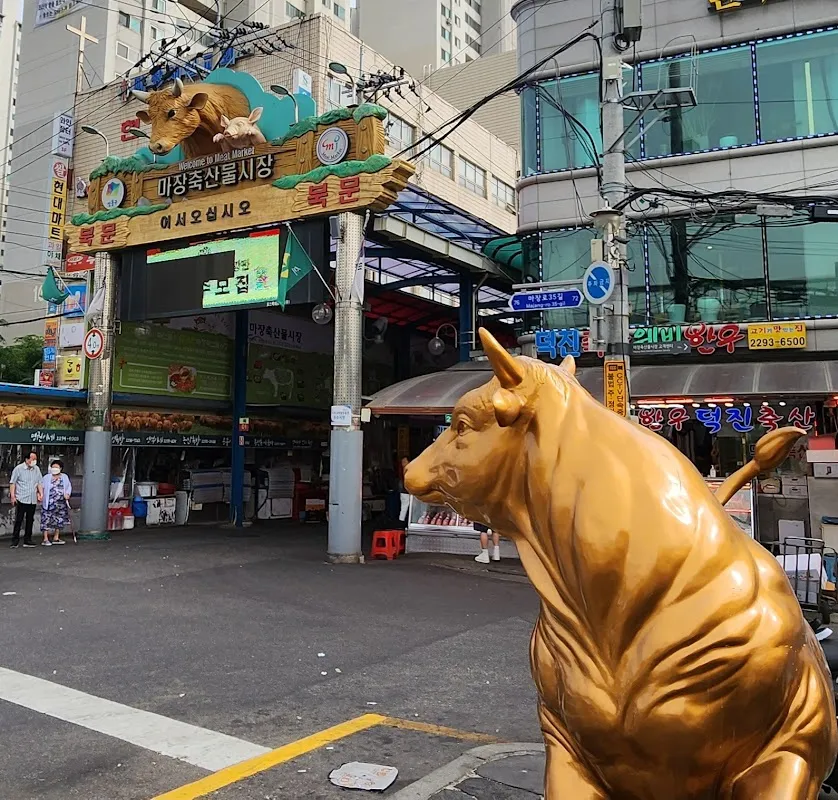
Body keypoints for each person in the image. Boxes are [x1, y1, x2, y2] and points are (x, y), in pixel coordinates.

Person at [9, 451, 42, 549]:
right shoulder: (18, 469)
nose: (34, 461)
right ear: (27, 459)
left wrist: (41, 493)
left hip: (32, 499)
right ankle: (15, 540)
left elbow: (39, 482)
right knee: (19, 520)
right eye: (32, 459)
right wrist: (13, 496)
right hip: (21, 498)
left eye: (35, 459)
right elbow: (13, 483)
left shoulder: (37, 469)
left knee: (30, 520)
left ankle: (28, 539)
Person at [40, 460, 72, 546]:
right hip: (49, 503)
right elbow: (41, 487)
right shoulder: (46, 477)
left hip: (61, 503)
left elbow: (68, 487)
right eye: (53, 467)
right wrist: (40, 495)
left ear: (61, 468)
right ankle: (45, 538)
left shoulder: (64, 477)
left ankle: (56, 537)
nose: (54, 469)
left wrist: (67, 494)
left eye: (56, 467)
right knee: (46, 519)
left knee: (59, 520)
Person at [398, 456, 411, 525]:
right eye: (403, 462)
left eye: (405, 462)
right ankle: (402, 523)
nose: (404, 463)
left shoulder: (403, 470)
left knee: (404, 507)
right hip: (405, 491)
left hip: (404, 491)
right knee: (405, 507)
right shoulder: (406, 470)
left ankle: (402, 522)